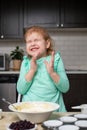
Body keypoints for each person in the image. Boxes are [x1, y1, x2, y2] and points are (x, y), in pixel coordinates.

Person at [17, 26, 70, 112]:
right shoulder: (26, 62)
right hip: (30, 111)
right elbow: (21, 90)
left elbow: (65, 88)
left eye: (36, 40)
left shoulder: (56, 60)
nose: (32, 43)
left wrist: (52, 73)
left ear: (47, 44)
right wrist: (32, 70)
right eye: (29, 41)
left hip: (54, 112)